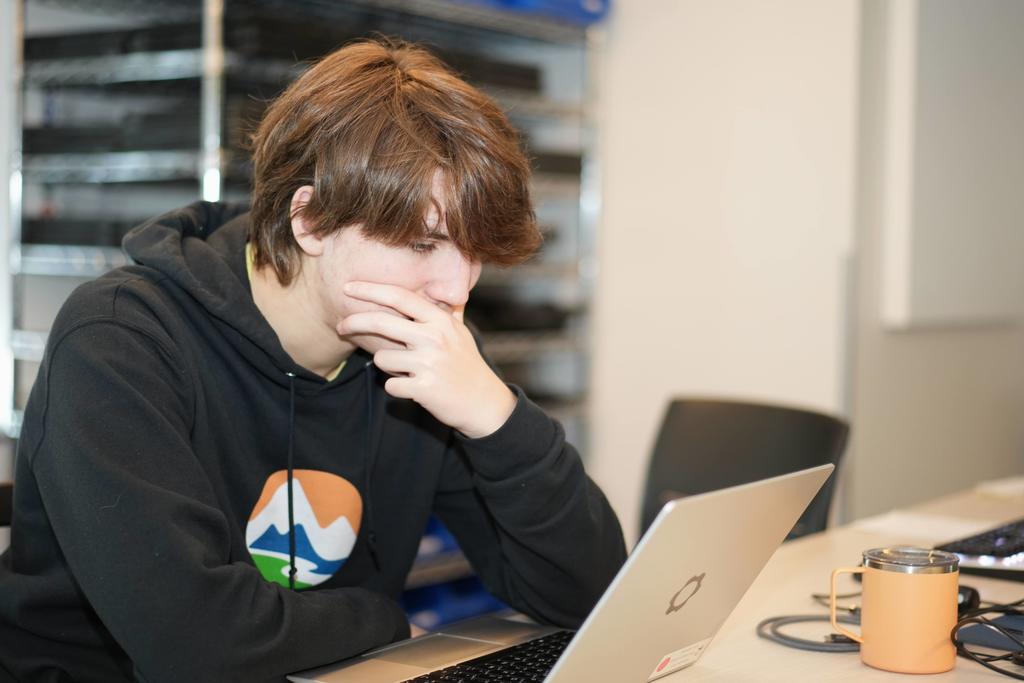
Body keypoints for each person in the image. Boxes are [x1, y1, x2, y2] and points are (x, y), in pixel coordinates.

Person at [0, 39, 626, 682]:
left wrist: (497, 419)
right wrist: (381, 622)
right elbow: (195, 645)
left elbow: (592, 598)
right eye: (421, 243)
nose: (455, 290)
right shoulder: (120, 341)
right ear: (311, 223)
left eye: (473, 252)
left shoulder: (420, 346)